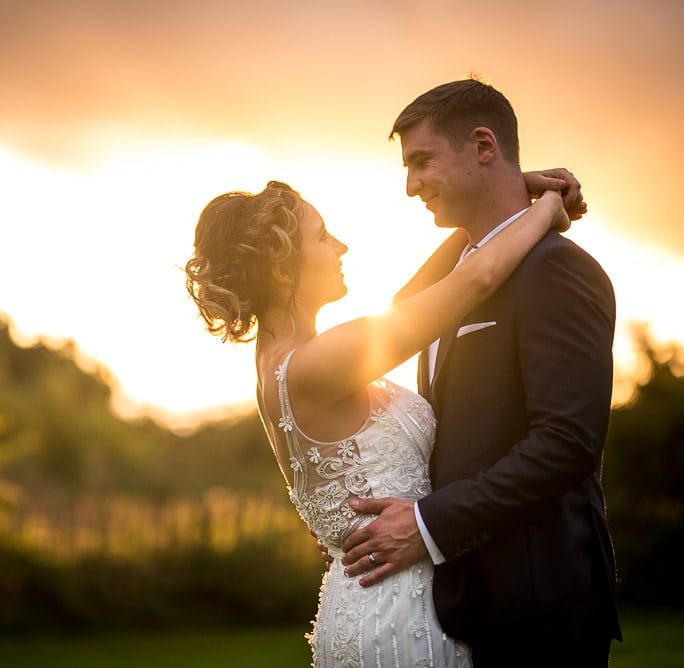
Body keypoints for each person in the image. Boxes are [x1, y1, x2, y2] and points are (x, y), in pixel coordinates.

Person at [185, 165, 579, 666]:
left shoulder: (283, 361)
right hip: (399, 615)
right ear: (284, 268)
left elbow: (410, 302)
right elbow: (475, 279)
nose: (341, 247)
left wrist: (507, 194)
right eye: (323, 236)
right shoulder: (316, 364)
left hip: (370, 602)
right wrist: (547, 208)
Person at [339, 78, 622, 667]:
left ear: (484, 145)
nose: (410, 185)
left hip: (538, 603)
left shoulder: (558, 272)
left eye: (421, 162)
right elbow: (398, 319)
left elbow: (567, 442)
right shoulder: (459, 280)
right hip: (460, 598)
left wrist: (425, 523)